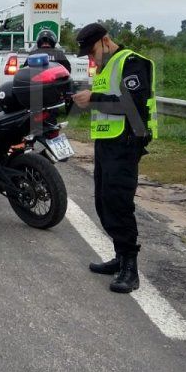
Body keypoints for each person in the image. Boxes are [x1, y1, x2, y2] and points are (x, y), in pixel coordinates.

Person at [70, 23, 157, 294]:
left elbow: (132, 105)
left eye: (92, 52)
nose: (91, 58)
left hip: (126, 142)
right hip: (107, 143)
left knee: (119, 203)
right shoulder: (106, 67)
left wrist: (93, 98)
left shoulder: (131, 63)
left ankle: (130, 268)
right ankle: (120, 257)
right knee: (103, 202)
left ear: (106, 41)